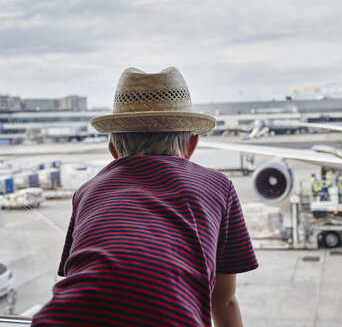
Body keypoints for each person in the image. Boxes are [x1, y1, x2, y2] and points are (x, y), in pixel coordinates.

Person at [31, 67, 258, 327]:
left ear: (113, 149)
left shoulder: (86, 192)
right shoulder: (219, 187)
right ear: (192, 145)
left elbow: (83, 279)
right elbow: (224, 300)